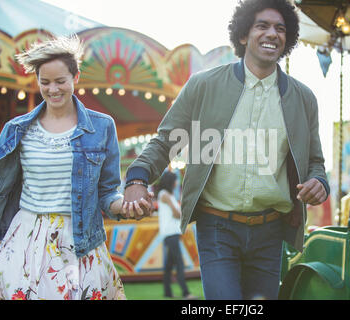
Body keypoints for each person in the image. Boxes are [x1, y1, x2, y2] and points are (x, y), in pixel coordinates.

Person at [123, 0, 329, 300]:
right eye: (263, 26)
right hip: (217, 228)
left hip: (271, 230)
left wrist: (318, 182)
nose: (272, 33)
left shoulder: (304, 98)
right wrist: (137, 179)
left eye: (280, 28)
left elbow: (315, 161)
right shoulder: (203, 86)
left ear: (288, 39)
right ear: (243, 35)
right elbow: (166, 140)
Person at [0, 35, 130, 300]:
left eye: (61, 81)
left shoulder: (102, 127)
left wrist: (125, 206)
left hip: (80, 240)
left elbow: (108, 193)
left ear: (76, 77)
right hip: (27, 239)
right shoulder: (16, 130)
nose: (53, 89)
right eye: (45, 82)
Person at [157, 171, 194, 299]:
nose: (176, 182)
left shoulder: (167, 194)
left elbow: (176, 213)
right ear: (170, 182)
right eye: (175, 180)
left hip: (171, 233)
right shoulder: (165, 194)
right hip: (170, 233)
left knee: (169, 265)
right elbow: (176, 214)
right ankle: (186, 293)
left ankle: (167, 292)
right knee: (179, 262)